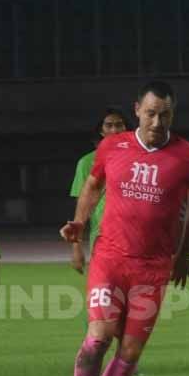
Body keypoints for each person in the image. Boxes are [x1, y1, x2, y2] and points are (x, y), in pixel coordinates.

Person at [59, 80, 189, 376]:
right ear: (138, 109)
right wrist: (79, 223)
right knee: (98, 339)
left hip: (153, 267)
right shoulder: (113, 146)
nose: (158, 121)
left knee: (130, 353)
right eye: (151, 112)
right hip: (110, 258)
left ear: (173, 114)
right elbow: (92, 187)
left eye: (166, 114)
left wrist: (185, 253)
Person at [69, 108, 129, 275]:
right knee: (106, 295)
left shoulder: (138, 158)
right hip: (103, 239)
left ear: (126, 128)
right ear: (101, 131)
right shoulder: (87, 162)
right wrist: (76, 248)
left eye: (119, 125)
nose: (114, 130)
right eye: (109, 125)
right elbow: (80, 211)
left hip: (136, 239)